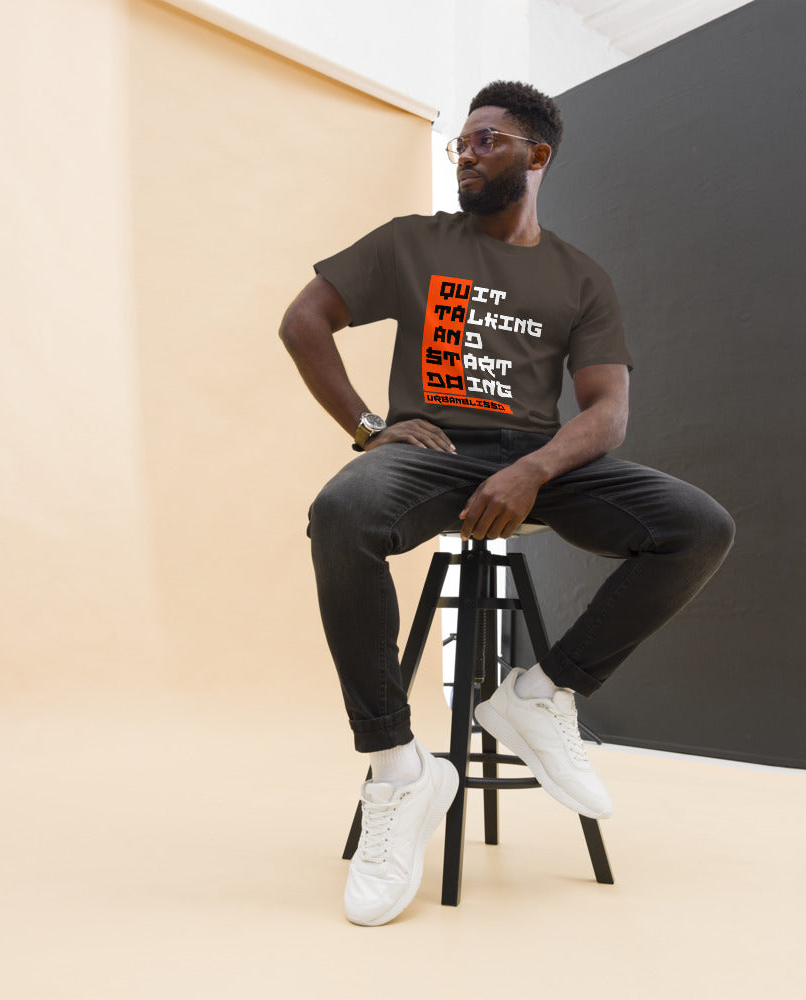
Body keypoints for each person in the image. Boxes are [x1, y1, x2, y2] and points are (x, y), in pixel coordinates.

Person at [280, 81, 734, 926]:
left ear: (537, 155)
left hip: (538, 459)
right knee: (340, 515)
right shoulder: (412, 243)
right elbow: (304, 319)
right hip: (433, 455)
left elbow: (607, 411)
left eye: (486, 141)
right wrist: (372, 427)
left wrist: (534, 471)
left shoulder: (580, 278)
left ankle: (540, 693)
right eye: (460, 142)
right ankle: (398, 771)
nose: (466, 153)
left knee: (698, 526)